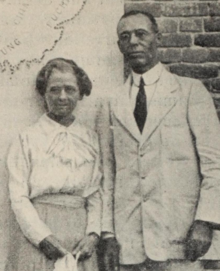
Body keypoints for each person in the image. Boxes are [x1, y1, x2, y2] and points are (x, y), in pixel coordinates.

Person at [97, 10, 220, 271]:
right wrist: (108, 234)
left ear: (158, 38)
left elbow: (215, 163)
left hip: (182, 238)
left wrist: (206, 221)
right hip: (131, 243)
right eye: (125, 36)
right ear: (119, 46)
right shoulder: (111, 103)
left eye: (141, 34)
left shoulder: (189, 92)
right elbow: (108, 175)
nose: (133, 41)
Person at [5, 58, 102, 271]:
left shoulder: (92, 139)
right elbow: (18, 197)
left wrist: (93, 235)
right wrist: (43, 238)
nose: (62, 97)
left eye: (70, 89)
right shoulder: (26, 139)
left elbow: (96, 193)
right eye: (54, 90)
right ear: (44, 93)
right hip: (37, 237)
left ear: (81, 92)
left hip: (80, 238)